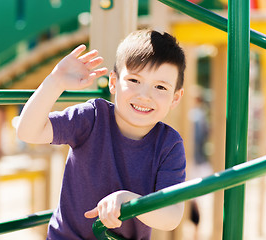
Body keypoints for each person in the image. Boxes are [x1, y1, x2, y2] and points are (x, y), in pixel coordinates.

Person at [16, 29, 187, 240]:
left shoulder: (169, 144)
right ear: (113, 82)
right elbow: (28, 132)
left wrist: (128, 201)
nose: (144, 96)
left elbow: (171, 216)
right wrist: (56, 82)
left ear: (175, 98)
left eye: (160, 87)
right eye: (134, 81)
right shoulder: (92, 118)